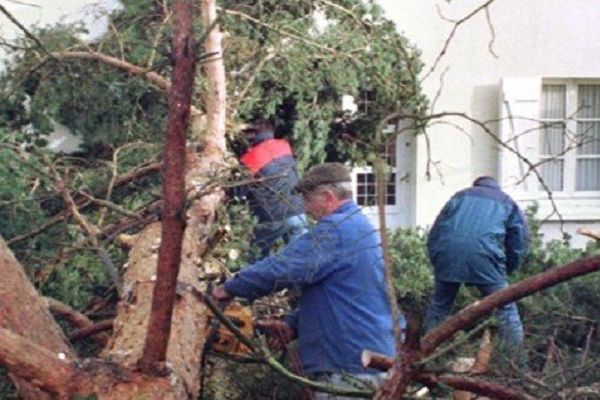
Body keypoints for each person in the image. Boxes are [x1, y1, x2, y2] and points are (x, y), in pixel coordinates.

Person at [213, 163, 395, 398]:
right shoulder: (360, 227)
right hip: (368, 355)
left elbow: (282, 267)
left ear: (328, 197)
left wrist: (228, 289)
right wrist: (292, 324)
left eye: (308, 201)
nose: (306, 209)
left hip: (348, 364)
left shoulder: (336, 230)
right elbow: (344, 294)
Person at [424, 176, 528, 352]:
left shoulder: (459, 197)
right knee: (506, 308)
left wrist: (438, 262)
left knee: (439, 307)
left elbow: (436, 232)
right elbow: (518, 243)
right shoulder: (507, 202)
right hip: (485, 256)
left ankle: (425, 355)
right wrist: (507, 269)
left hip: (448, 254)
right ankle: (516, 362)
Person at [235, 119, 307, 258]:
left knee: (256, 258)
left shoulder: (250, 158)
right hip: (298, 210)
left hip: (272, 217)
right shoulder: (284, 146)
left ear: (253, 136)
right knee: (301, 259)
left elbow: (238, 192)